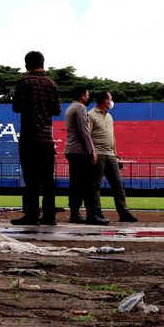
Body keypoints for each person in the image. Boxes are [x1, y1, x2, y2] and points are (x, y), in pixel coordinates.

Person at [11, 51, 60, 226]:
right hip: (47, 138)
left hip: (29, 137)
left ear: (26, 64)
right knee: (47, 180)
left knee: (31, 179)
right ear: (43, 63)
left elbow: (16, 107)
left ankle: (32, 214)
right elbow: (56, 110)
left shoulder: (23, 82)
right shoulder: (52, 84)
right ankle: (49, 216)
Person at [87, 91, 139, 223]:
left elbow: (112, 137)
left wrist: (116, 154)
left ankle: (124, 213)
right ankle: (96, 213)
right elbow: (87, 135)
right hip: (98, 153)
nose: (112, 101)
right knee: (95, 185)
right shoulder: (91, 115)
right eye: (111, 98)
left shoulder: (109, 116)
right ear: (105, 100)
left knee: (118, 185)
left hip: (110, 154)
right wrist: (92, 151)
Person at [64, 88, 110, 225]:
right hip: (80, 151)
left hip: (71, 150)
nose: (89, 97)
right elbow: (84, 131)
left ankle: (74, 214)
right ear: (82, 96)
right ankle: (92, 215)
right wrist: (91, 150)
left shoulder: (70, 108)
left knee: (75, 184)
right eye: (87, 95)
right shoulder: (80, 108)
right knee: (88, 184)